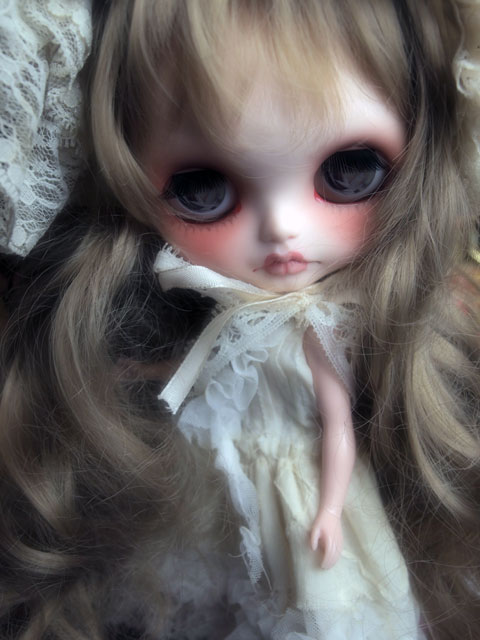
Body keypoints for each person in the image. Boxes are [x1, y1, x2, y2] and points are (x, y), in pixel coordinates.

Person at [0, 1, 479, 639]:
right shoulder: (204, 313)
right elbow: (207, 369)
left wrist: (330, 508)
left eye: (350, 171)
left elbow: (337, 424)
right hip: (212, 472)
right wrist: (144, 373)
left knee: (300, 601)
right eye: (202, 189)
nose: (282, 229)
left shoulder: (318, 327)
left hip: (296, 483)